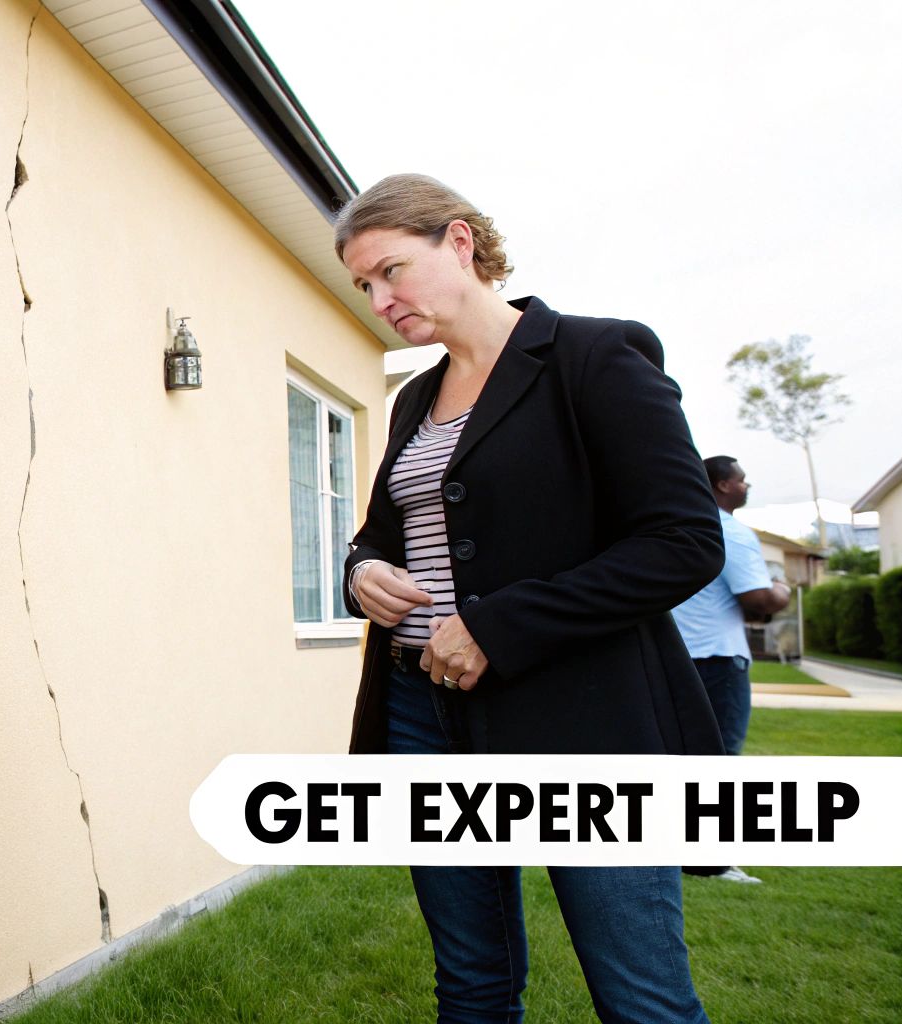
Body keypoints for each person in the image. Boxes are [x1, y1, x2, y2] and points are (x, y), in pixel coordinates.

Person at [337, 174, 725, 1024]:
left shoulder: (595, 356)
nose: (378, 298)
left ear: (462, 243)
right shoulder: (413, 399)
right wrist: (361, 571)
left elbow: (683, 542)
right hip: (420, 715)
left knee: (641, 998)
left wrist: (497, 627)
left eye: (391, 270)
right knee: (471, 985)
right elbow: (382, 534)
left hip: (582, 722)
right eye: (364, 285)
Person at [673, 455, 792, 885]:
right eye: (743, 481)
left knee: (681, 760)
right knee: (720, 760)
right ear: (723, 485)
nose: (747, 486)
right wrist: (783, 588)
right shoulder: (733, 534)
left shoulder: (678, 525)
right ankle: (711, 862)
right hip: (720, 660)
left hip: (680, 658)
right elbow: (758, 600)